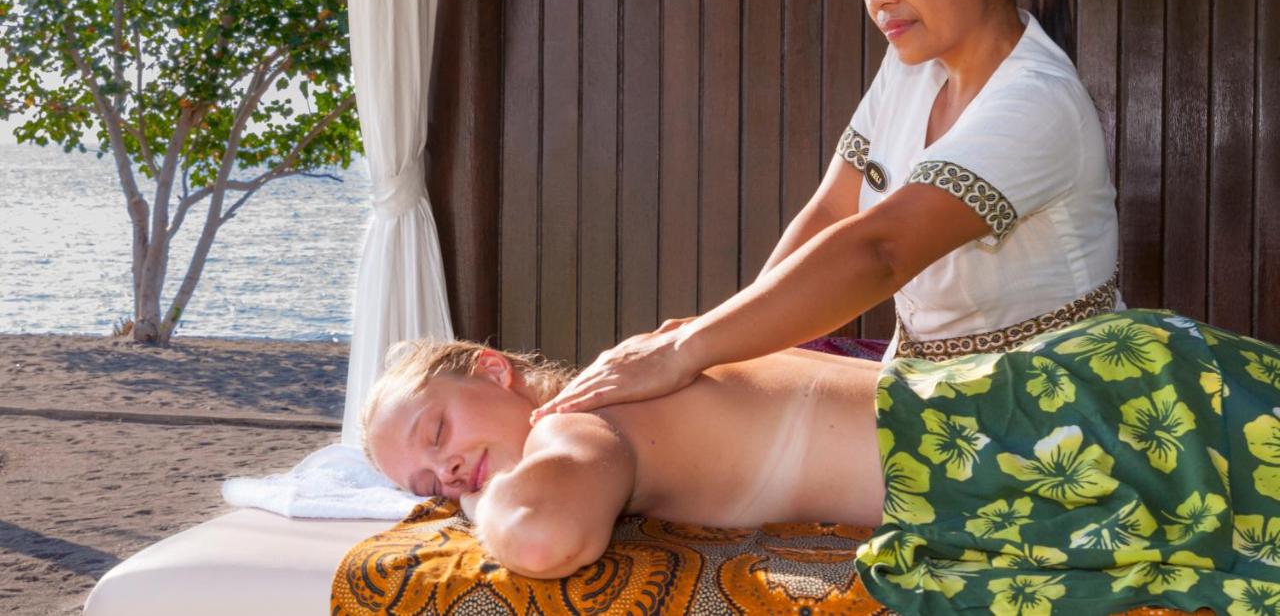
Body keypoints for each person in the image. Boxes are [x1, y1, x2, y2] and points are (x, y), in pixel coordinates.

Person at [531, 0, 1122, 421]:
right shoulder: (910, 65)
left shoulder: (1038, 101)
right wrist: (727, 336)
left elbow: (881, 251)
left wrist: (690, 349)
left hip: (1046, 403)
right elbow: (835, 208)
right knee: (701, 387)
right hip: (932, 382)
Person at [362, 309, 1280, 614]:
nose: (447, 478)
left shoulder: (580, 426)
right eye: (423, 483)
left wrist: (474, 508)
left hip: (1059, 439)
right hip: (1101, 381)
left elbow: (542, 534)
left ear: (495, 370)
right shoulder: (645, 360)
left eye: (437, 433)